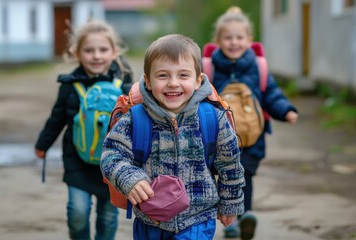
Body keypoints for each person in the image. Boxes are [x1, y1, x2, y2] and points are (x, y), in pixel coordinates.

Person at [100, 34, 245, 240]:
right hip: (149, 219)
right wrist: (129, 179)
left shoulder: (212, 118)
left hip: (198, 218)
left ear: (197, 80)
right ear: (148, 81)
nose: (173, 83)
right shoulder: (135, 119)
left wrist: (231, 202)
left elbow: (230, 163)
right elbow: (111, 155)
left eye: (183, 75)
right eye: (163, 76)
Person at [35, 19, 133, 240]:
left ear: (114, 51)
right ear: (76, 53)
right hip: (76, 160)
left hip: (113, 163)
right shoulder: (69, 86)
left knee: (107, 217)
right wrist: (43, 144)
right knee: (77, 213)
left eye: (103, 50)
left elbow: (137, 122)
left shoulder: (125, 85)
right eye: (89, 50)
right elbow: (56, 118)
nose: (96, 56)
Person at [209, 7, 299, 240]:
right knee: (222, 177)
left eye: (239, 37)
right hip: (218, 139)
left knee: (244, 176)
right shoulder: (209, 69)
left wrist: (286, 111)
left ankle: (245, 215)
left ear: (249, 40)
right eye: (228, 38)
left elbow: (271, 94)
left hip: (251, 138)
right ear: (218, 41)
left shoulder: (258, 69)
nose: (234, 42)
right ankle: (228, 221)